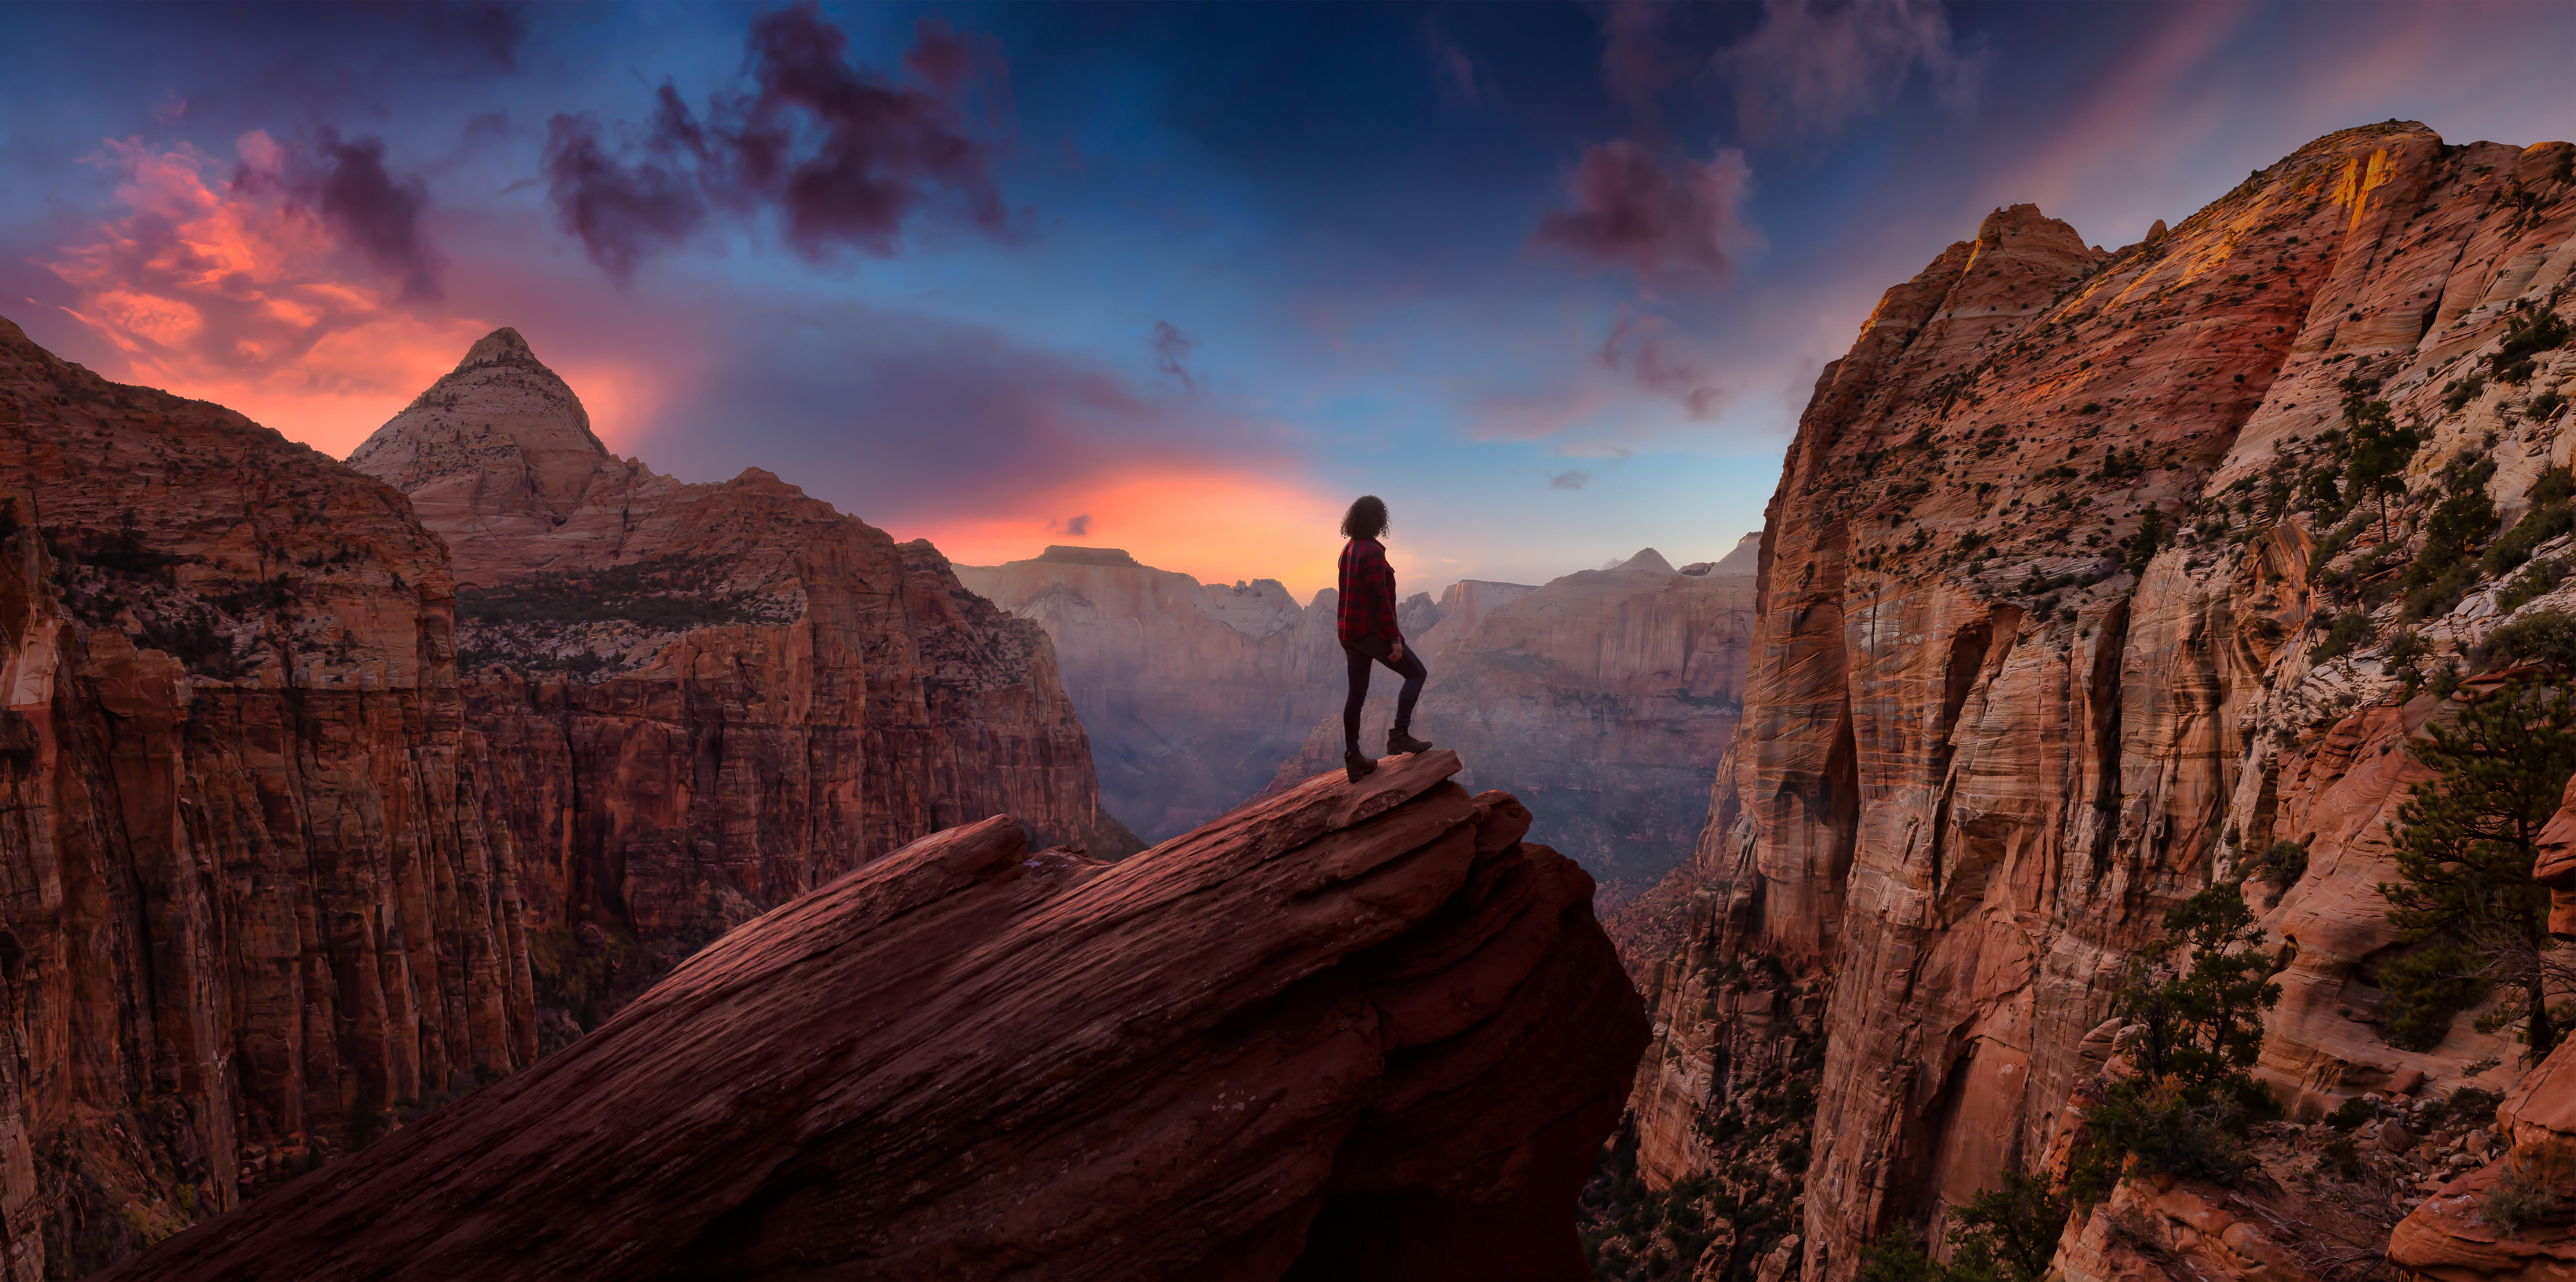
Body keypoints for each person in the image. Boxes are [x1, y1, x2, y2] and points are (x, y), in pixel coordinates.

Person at [1336, 495, 1432, 782]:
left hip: (1349, 633)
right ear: (1378, 521)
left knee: (1356, 695)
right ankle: (1399, 735)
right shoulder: (1374, 553)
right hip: (1369, 632)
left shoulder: (1348, 549)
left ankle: (1354, 758)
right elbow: (1381, 602)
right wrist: (1394, 639)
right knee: (1417, 673)